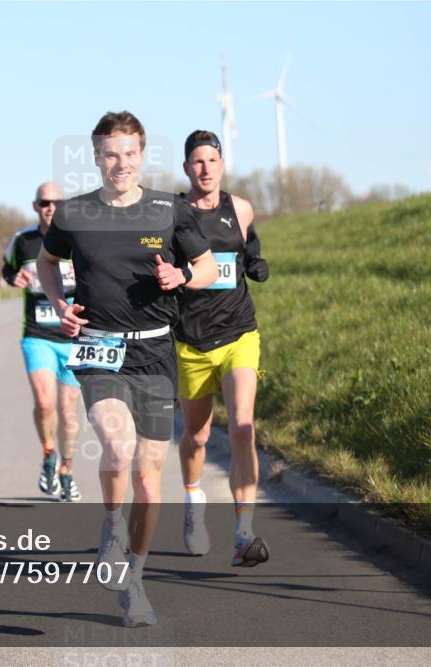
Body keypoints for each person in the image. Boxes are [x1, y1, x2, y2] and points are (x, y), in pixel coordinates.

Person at [36, 112, 218, 627]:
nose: (121, 163)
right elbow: (48, 264)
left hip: (157, 352)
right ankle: (111, 525)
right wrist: (60, 303)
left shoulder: (169, 210)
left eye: (130, 154)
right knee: (117, 447)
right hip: (101, 348)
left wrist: (180, 274)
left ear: (143, 155)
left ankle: (134, 582)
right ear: (96, 157)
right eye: (111, 154)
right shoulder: (73, 215)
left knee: (148, 478)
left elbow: (205, 266)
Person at [175, 130, 271, 567]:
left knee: (243, 428)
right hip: (191, 343)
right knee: (196, 435)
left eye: (212, 160)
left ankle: (244, 533)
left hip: (239, 334)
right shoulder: (172, 216)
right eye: (197, 161)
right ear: (186, 168)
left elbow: (247, 245)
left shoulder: (242, 207)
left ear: (223, 164)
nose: (206, 169)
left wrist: (255, 259)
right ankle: (194, 503)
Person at [2, 182, 83, 501]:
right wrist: (14, 278)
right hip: (37, 336)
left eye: (57, 202)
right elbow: (6, 270)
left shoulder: (78, 239)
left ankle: (67, 469)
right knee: (46, 402)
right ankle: (49, 453)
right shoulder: (22, 241)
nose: (51, 207)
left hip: (74, 338)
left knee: (69, 409)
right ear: (35, 206)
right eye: (44, 203)